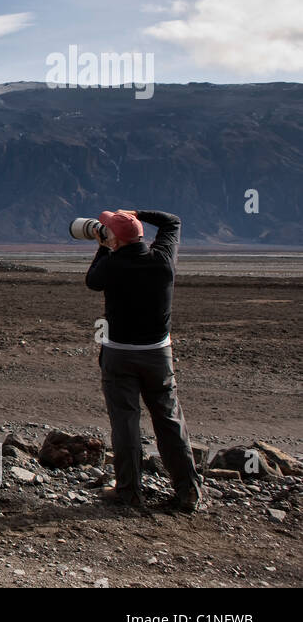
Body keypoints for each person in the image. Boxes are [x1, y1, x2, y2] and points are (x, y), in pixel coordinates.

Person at [86, 209, 201, 512]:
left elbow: (92, 281)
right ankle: (188, 491)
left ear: (115, 239)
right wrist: (137, 214)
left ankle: (129, 493)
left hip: (119, 354)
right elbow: (172, 221)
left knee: (125, 423)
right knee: (169, 420)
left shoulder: (112, 264)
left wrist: (102, 244)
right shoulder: (163, 261)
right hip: (157, 355)